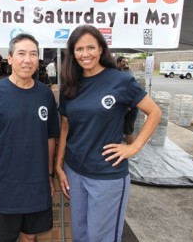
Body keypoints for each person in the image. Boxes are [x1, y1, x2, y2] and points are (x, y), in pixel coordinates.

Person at [55, 24, 162, 242]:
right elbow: (65, 125)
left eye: (91, 47)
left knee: (100, 238)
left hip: (106, 175)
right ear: (73, 53)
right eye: (79, 49)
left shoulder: (120, 80)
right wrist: (59, 164)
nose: (85, 54)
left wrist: (134, 147)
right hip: (75, 171)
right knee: (80, 235)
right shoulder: (70, 84)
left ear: (101, 50)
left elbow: (154, 112)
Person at [0, 33, 59, 242]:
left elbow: (50, 138)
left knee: (30, 237)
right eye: (21, 53)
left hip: (36, 186)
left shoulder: (45, 94)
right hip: (3, 187)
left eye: (33, 54)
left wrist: (49, 175)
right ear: (9, 58)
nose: (27, 60)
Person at [116, 56, 139, 144]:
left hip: (130, 108)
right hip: (125, 107)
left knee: (128, 130)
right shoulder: (120, 75)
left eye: (126, 61)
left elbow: (154, 112)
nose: (125, 63)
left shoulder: (128, 78)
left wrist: (128, 108)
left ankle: (130, 148)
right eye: (123, 61)